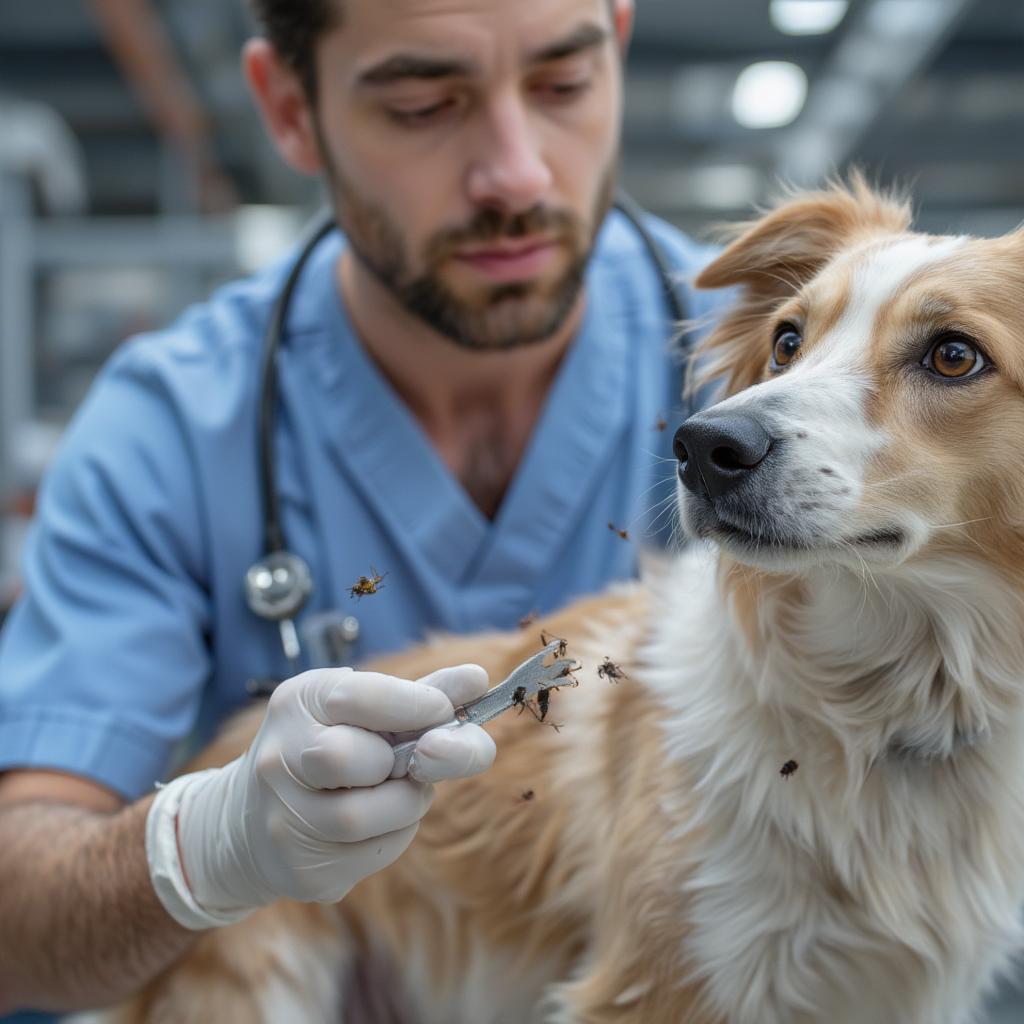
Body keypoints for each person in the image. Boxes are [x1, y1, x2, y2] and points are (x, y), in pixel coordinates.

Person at [0, 0, 726, 1014]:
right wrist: (208, 846)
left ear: (620, 36)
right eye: (425, 105)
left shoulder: (776, 357)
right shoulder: (170, 428)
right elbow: (17, 926)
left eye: (563, 84)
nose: (517, 172)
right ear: (289, 109)